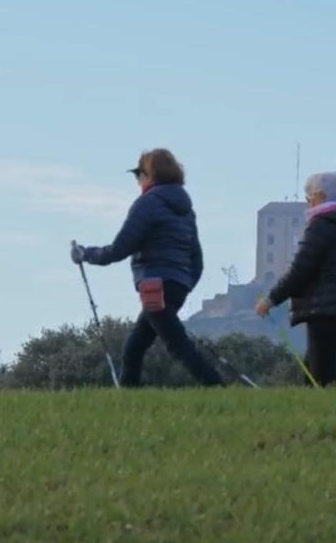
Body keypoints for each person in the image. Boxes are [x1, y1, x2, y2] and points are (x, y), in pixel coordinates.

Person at [71, 148, 223, 388]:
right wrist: (184, 284)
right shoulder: (186, 210)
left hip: (154, 285)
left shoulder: (148, 203)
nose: (138, 181)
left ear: (149, 175)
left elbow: (120, 248)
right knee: (135, 346)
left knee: (177, 344)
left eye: (139, 175)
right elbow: (197, 257)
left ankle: (216, 386)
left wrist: (86, 254)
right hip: (177, 285)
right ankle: (126, 398)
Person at [255, 172, 336, 387]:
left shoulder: (322, 225)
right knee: (317, 371)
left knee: (320, 377)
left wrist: (270, 299)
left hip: (327, 308)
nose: (307, 204)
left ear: (319, 195)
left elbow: (301, 270)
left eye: (308, 198)